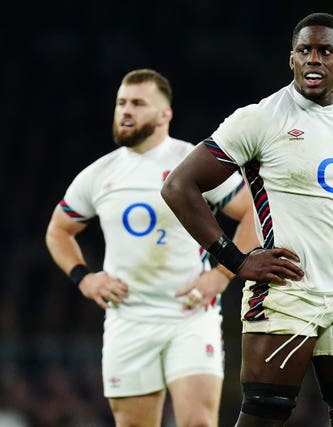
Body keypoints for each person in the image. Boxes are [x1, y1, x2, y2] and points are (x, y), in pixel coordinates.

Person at [161, 12, 333, 427]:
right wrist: (236, 259)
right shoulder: (260, 119)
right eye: (304, 51)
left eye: (325, 51)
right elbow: (179, 186)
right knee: (266, 416)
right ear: (291, 59)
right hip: (287, 295)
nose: (313, 60)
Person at [45, 68, 258, 427]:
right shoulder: (99, 174)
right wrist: (85, 279)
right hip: (129, 318)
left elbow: (252, 214)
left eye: (138, 104)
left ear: (165, 114)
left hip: (189, 315)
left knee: (199, 423)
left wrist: (221, 276)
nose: (126, 111)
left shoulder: (192, 163)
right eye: (121, 103)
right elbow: (58, 231)